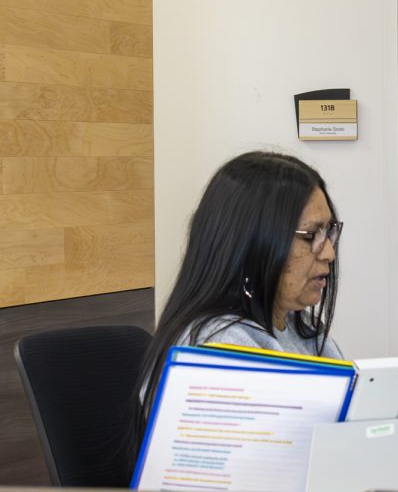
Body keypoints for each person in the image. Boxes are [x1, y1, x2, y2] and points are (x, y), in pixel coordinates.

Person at [136, 151, 344, 443]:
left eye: (329, 232)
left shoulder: (302, 328)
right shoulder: (218, 350)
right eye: (310, 235)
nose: (329, 253)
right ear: (251, 244)